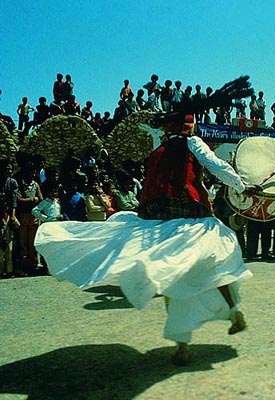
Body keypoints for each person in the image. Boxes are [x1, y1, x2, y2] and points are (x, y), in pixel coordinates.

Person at [34, 76, 256, 366]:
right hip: (190, 221)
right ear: (189, 125)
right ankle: (231, 314)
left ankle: (185, 343)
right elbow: (217, 166)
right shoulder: (192, 144)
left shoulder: (157, 153)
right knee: (218, 262)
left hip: (157, 224)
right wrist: (241, 186)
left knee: (169, 276)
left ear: (168, 127)